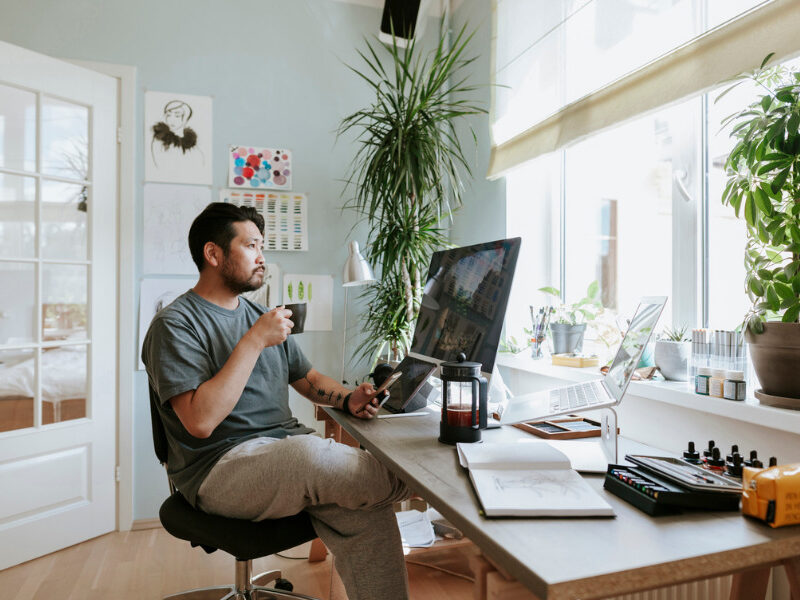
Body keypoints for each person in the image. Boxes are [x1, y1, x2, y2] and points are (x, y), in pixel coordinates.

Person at [142, 202, 410, 600]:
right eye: (250, 245)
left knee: (363, 505)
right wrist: (253, 340)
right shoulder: (175, 325)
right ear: (213, 253)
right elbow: (200, 421)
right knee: (311, 455)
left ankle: (414, 485)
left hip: (284, 455)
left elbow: (309, 380)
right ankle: (423, 483)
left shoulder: (260, 315)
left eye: (262, 246)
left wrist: (348, 398)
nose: (261, 257)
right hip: (219, 468)